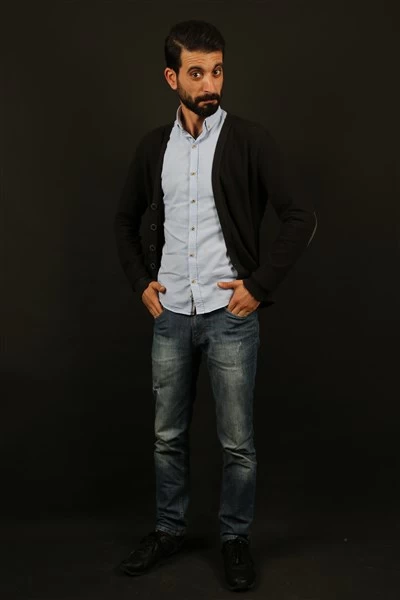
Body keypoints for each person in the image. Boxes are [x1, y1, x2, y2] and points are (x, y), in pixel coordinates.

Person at [114, 19, 317, 592]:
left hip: (231, 317)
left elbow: (300, 217)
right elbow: (124, 219)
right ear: (171, 77)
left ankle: (234, 538)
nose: (210, 84)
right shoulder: (153, 148)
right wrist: (141, 282)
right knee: (167, 437)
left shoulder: (251, 140)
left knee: (237, 444)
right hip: (170, 315)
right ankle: (169, 529)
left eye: (218, 71)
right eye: (197, 72)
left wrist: (260, 284)